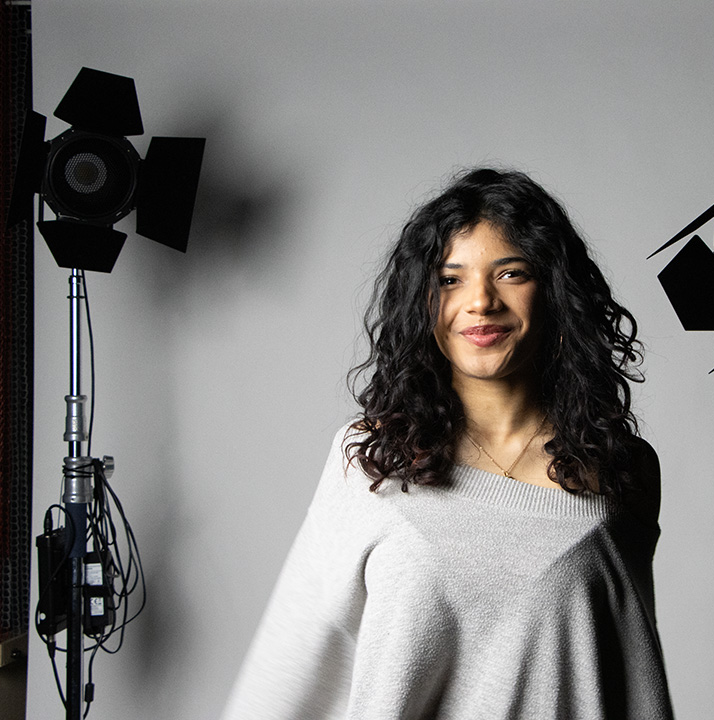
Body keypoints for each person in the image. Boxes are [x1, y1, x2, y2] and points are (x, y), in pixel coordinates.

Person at [222, 168, 674, 719]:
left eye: (510, 273)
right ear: (422, 302)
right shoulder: (370, 460)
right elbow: (294, 661)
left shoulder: (624, 470)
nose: (480, 301)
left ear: (555, 292)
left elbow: (631, 678)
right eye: (450, 278)